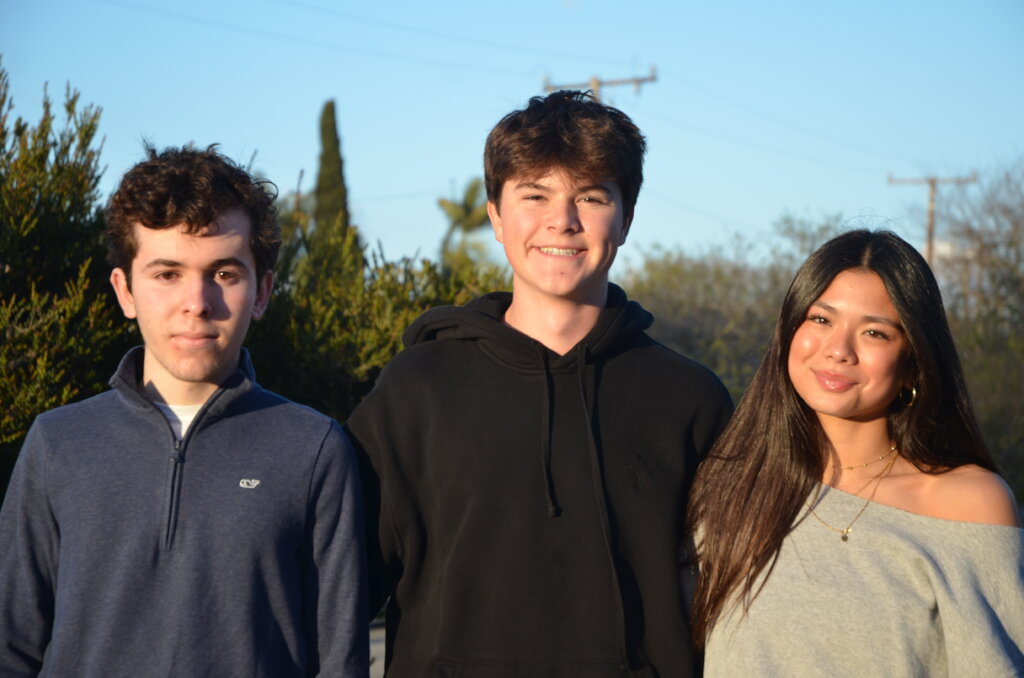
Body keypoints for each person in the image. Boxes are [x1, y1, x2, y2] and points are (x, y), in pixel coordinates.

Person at [345, 90, 733, 676]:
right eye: (535, 195)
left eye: (591, 197)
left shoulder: (690, 401)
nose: (562, 220)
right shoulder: (416, 389)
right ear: (496, 217)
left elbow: (730, 603)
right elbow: (338, 592)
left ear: (626, 219)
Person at [0, 145, 369, 677]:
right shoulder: (58, 443)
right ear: (125, 291)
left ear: (262, 292)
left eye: (224, 274)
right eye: (167, 274)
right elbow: (11, 649)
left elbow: (339, 661)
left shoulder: (313, 450)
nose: (197, 302)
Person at [687, 229, 1023, 677]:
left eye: (874, 332)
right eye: (821, 319)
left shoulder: (967, 504)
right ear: (789, 330)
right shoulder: (729, 486)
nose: (838, 350)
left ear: (913, 363)